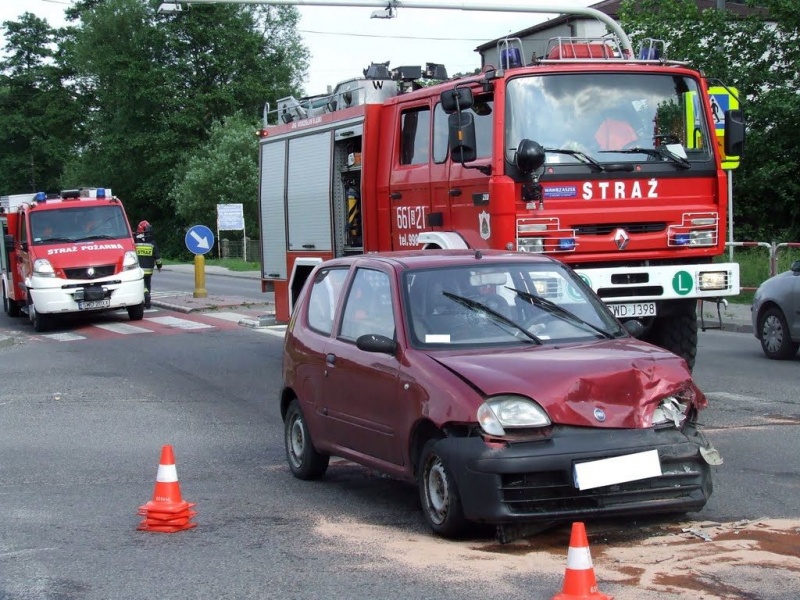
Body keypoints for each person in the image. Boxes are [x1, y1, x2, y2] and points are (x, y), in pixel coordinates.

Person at [135, 220, 162, 309]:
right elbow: (157, 257)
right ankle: (148, 301)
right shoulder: (152, 242)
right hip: (149, 270)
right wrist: (159, 266)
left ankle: (145, 296)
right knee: (148, 283)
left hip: (139, 269)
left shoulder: (135, 241)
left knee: (142, 285)